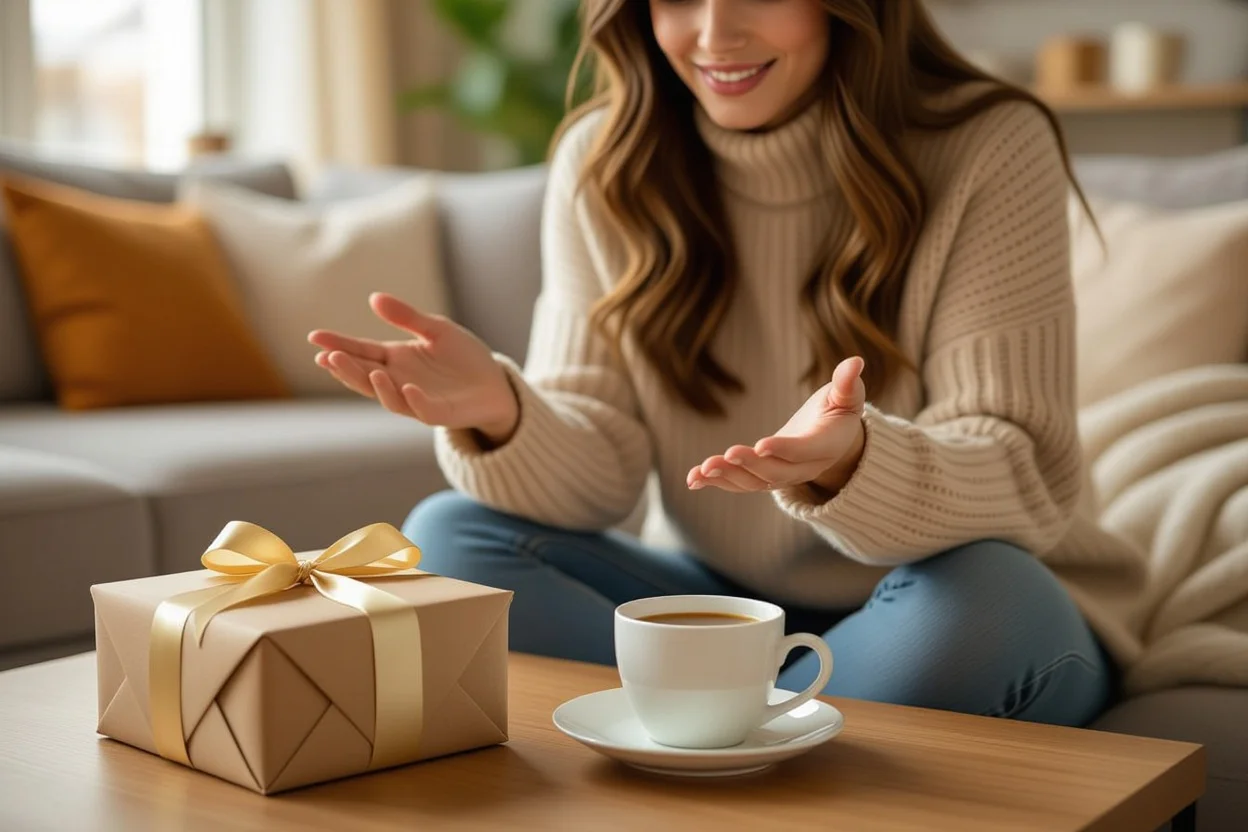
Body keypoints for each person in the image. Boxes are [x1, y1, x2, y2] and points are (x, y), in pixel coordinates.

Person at [308, 0, 1146, 727]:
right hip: (726, 605)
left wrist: (855, 463)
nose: (714, 34)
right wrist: (504, 414)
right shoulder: (603, 160)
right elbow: (600, 480)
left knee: (989, 606)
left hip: (943, 591)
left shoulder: (987, 143)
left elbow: (1022, 465)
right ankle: (778, 731)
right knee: (450, 536)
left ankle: (709, 734)